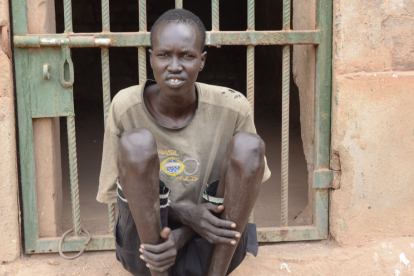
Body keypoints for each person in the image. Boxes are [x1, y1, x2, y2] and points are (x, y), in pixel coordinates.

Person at [97, 9, 271, 276]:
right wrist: (187, 216)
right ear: (151, 58)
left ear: (201, 61)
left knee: (249, 146)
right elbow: (115, 192)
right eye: (164, 55)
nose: (175, 66)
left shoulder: (233, 106)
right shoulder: (125, 106)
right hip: (148, 249)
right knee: (137, 143)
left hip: (215, 242)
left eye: (187, 56)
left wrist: (186, 233)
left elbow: (244, 190)